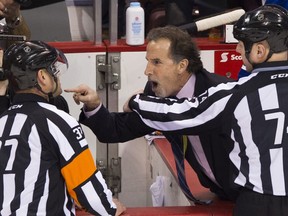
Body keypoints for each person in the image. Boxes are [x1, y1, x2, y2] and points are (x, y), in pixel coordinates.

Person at [126, 4, 288, 216]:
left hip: (259, 203)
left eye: (241, 44)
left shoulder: (235, 94)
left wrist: (135, 101)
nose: (237, 50)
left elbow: (182, 113)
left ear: (259, 51)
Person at [65, 25, 240, 202]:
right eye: (148, 61)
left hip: (252, 194)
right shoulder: (155, 92)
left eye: (157, 62)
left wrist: (135, 101)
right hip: (220, 192)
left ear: (182, 65)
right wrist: (94, 106)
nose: (147, 71)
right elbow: (115, 130)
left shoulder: (218, 94)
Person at [0, 41, 126, 215]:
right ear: (42, 77)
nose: (58, 77)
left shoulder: (3, 120)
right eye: (55, 71)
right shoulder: (57, 121)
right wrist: (108, 207)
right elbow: (86, 186)